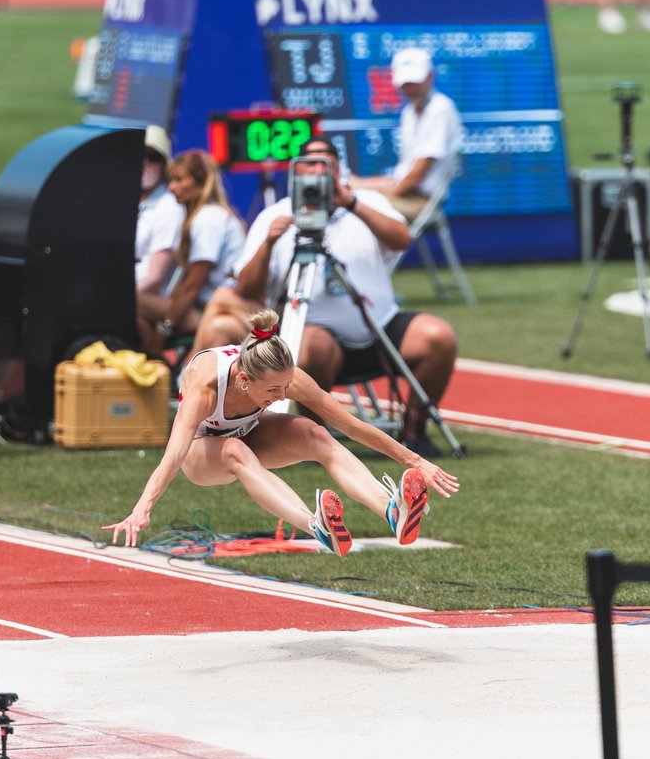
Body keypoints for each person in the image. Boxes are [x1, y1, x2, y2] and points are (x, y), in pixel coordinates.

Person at [104, 307, 460, 555]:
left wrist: (415, 461)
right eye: (274, 390)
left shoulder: (285, 378)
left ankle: (392, 513)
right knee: (235, 451)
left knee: (316, 434)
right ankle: (315, 525)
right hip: (201, 453)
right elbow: (173, 455)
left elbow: (350, 425)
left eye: (286, 386)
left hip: (248, 430)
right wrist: (142, 509)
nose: (282, 395)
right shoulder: (207, 387)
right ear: (244, 380)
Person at [189, 136, 458, 456]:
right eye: (310, 164)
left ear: (338, 169)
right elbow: (247, 289)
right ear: (296, 171)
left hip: (379, 326)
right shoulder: (277, 214)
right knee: (313, 344)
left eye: (325, 164)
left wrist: (350, 203)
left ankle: (414, 431)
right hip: (315, 339)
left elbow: (402, 240)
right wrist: (269, 243)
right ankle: (315, 440)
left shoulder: (366, 201)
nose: (317, 172)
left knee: (438, 336)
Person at [136, 149, 245, 359]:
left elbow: (192, 285)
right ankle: (158, 366)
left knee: (132, 301)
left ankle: (158, 359)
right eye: (171, 180)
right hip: (203, 307)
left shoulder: (208, 219)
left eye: (179, 180)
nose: (171, 187)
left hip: (219, 312)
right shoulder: (203, 216)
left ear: (200, 183)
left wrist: (164, 329)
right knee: (138, 315)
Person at [351, 47, 464, 224]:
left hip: (419, 201)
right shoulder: (409, 112)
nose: (410, 89)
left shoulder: (440, 110)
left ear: (430, 77)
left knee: (354, 207)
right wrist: (355, 185)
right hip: (405, 192)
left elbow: (416, 176)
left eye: (415, 82)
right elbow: (403, 176)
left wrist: (381, 198)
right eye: (406, 84)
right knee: (351, 190)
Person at [135, 125, 184, 297]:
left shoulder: (169, 208)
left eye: (153, 157)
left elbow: (155, 280)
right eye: (139, 154)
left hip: (142, 299)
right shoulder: (124, 198)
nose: (145, 163)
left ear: (164, 165)